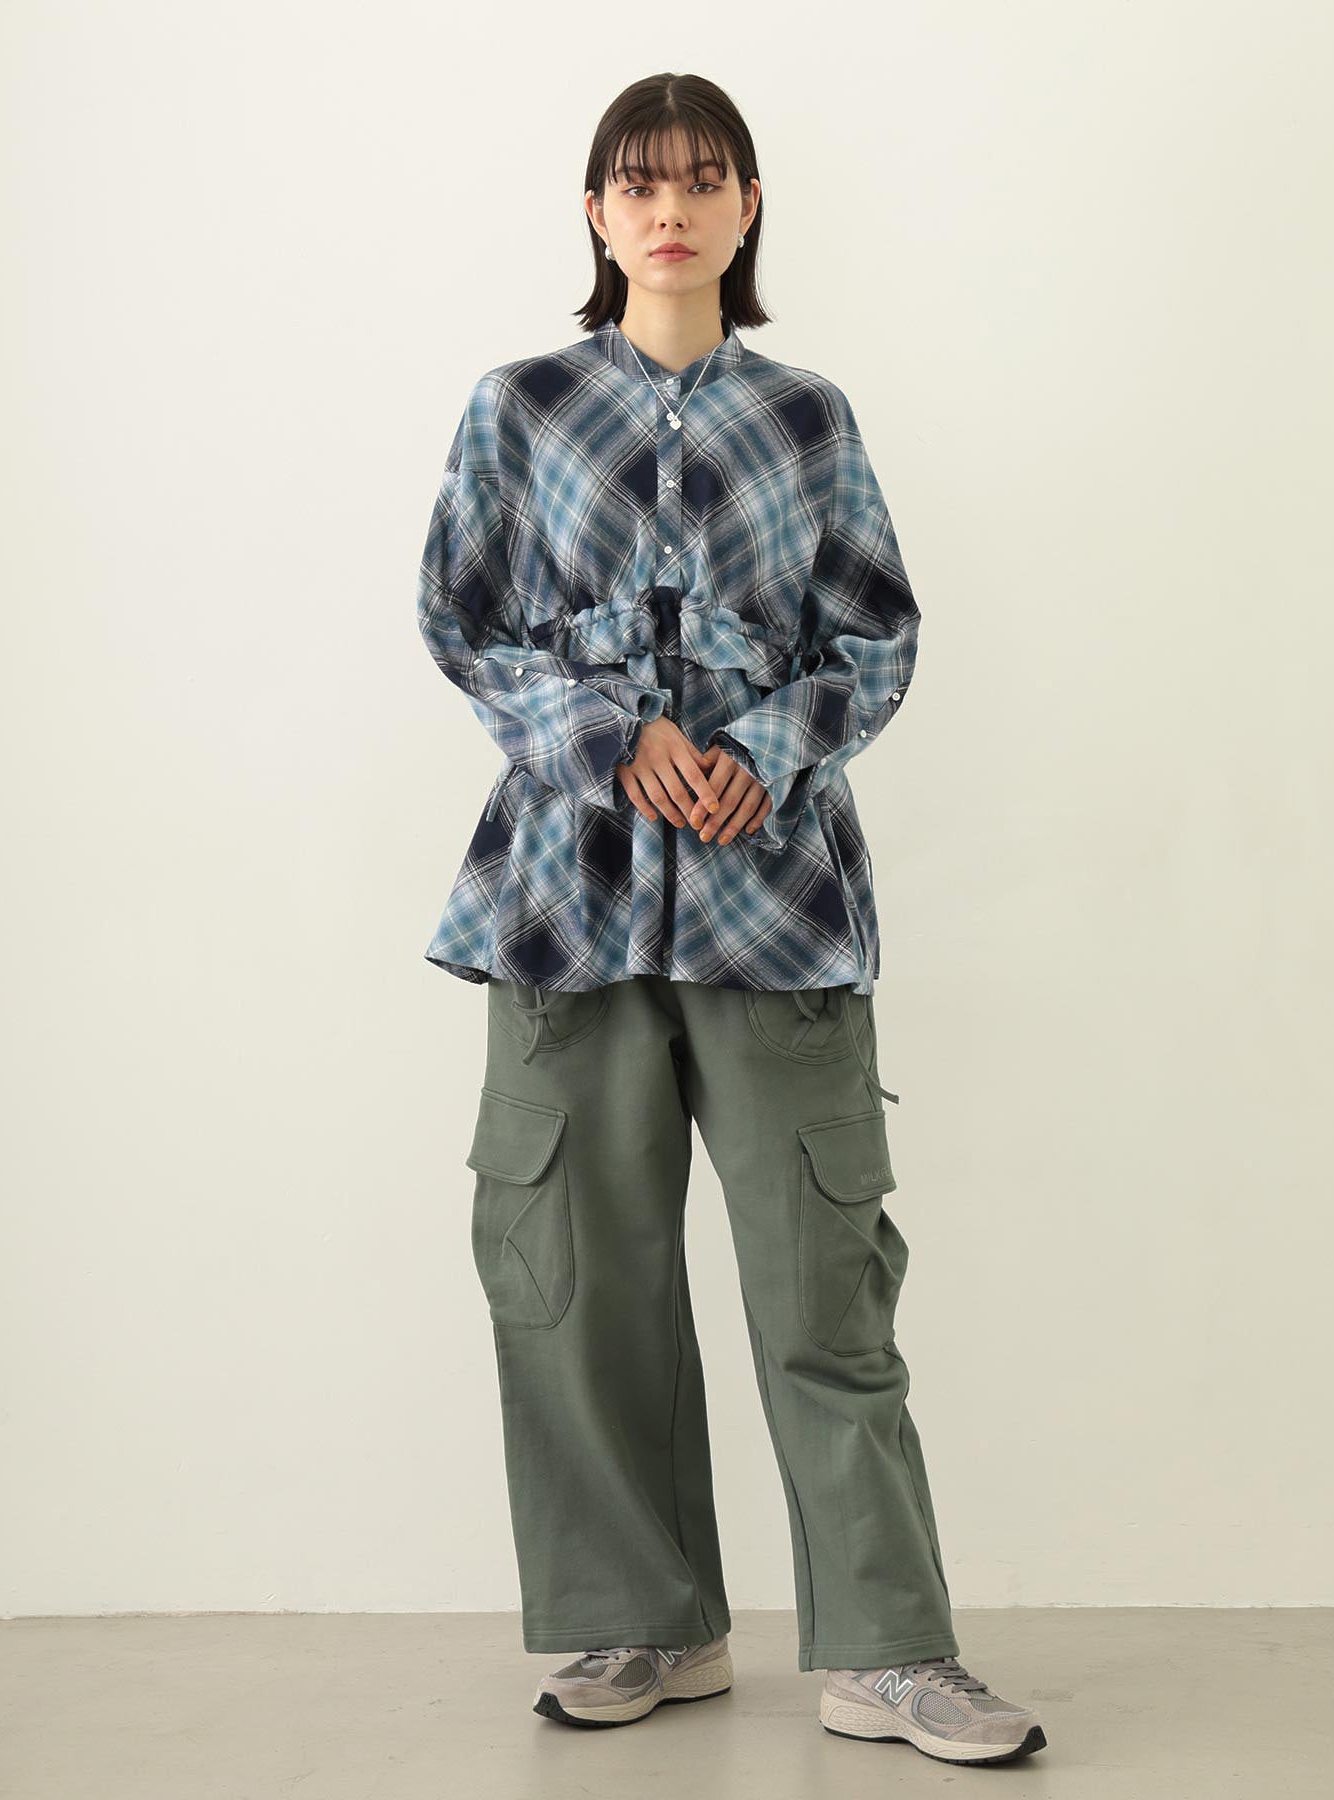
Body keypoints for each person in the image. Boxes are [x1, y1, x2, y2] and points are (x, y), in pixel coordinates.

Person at [414, 72, 1048, 1768]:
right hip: (564, 910)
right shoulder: (521, 408)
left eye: (702, 180)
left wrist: (761, 753)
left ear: (748, 205)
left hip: (776, 911)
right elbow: (465, 623)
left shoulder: (806, 419)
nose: (670, 209)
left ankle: (892, 1654)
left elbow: (876, 636)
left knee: (824, 1291)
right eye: (638, 183)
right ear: (597, 212)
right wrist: (614, 743)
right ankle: (643, 1619)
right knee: (578, 1286)